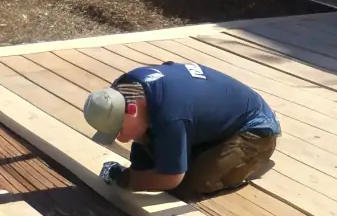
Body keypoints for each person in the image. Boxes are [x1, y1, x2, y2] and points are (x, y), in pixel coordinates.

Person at [83, 61, 281, 199]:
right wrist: (139, 169)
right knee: (155, 154)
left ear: (132, 109)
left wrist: (126, 179)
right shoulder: (125, 87)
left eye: (119, 130)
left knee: (190, 184)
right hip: (213, 116)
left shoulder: (171, 115)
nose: (120, 139)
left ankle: (248, 161)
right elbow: (143, 135)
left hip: (255, 130)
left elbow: (171, 179)